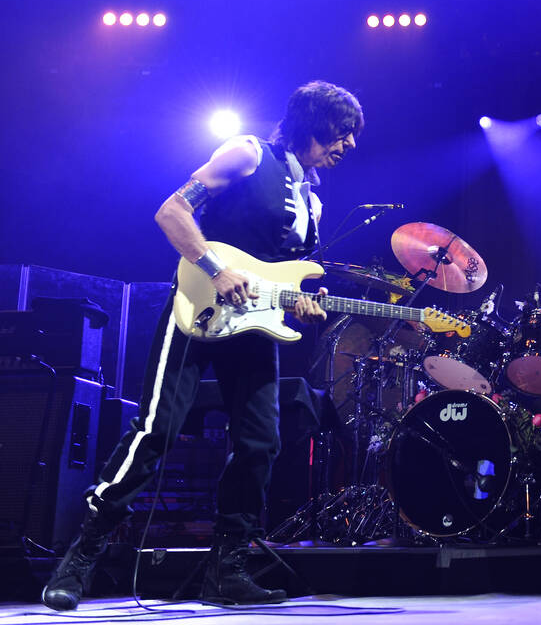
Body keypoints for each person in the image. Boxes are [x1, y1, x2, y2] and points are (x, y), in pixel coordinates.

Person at [42, 81, 364, 610]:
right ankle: (82, 555)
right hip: (199, 307)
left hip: (255, 328)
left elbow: (281, 279)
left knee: (261, 443)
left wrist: (302, 303)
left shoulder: (315, 202)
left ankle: (228, 568)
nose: (349, 145)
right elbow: (171, 211)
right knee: (156, 431)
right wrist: (214, 269)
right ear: (315, 123)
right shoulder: (248, 153)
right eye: (343, 132)